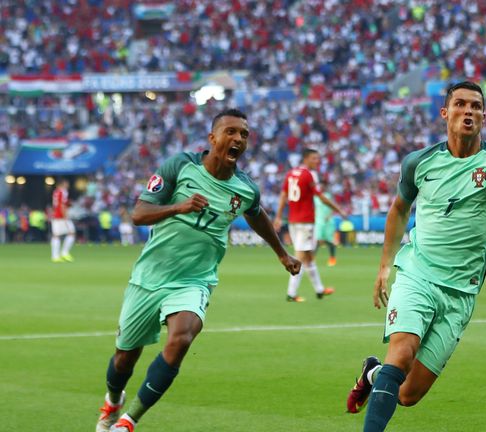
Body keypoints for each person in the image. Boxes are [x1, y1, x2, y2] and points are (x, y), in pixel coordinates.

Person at [344, 81, 486, 431]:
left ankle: (372, 373)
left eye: (476, 106)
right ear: (445, 113)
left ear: (485, 116)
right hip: (418, 274)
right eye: (460, 104)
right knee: (401, 354)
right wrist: (385, 267)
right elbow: (398, 210)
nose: (468, 111)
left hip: (461, 292)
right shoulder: (419, 162)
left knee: (408, 394)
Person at [95, 109, 301, 432]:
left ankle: (127, 421)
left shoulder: (245, 188)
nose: (238, 139)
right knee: (124, 357)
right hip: (150, 276)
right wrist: (180, 206)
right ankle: (113, 399)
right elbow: (139, 213)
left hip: (194, 280)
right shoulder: (180, 166)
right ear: (212, 138)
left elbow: (256, 214)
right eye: (231, 132)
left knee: (181, 339)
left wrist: (282, 253)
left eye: (244, 135)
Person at [273, 148, 346, 302]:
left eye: (318, 158)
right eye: (314, 158)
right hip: (305, 222)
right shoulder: (308, 175)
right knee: (299, 257)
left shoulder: (291, 173)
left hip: (293, 220)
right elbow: (320, 197)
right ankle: (291, 293)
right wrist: (338, 209)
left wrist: (279, 216)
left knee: (309, 258)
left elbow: (284, 195)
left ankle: (319, 290)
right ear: (305, 159)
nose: (317, 161)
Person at [314, 180, 339, 266]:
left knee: (329, 241)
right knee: (317, 240)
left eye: (323, 186)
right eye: (321, 185)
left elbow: (333, 207)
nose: (322, 187)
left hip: (328, 222)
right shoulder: (316, 197)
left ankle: (332, 258)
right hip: (319, 221)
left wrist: (329, 215)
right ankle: (312, 259)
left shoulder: (329, 196)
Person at [51, 179, 76, 262]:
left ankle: (55, 256)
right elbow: (62, 205)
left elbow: (58, 204)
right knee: (71, 233)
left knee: (56, 235)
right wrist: (65, 216)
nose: (68, 185)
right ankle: (64, 253)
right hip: (61, 216)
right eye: (66, 183)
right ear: (63, 184)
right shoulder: (63, 191)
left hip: (56, 216)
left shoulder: (56, 192)